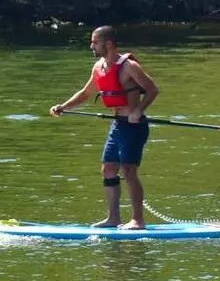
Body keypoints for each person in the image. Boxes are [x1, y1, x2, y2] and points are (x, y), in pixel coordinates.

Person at [49, 25, 159, 229]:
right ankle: (113, 218)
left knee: (128, 171)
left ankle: (138, 220)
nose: (91, 46)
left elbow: (153, 90)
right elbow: (85, 93)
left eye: (95, 42)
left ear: (108, 44)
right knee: (108, 169)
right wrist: (63, 106)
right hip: (117, 125)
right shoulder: (99, 67)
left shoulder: (128, 66)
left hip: (134, 126)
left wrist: (138, 111)